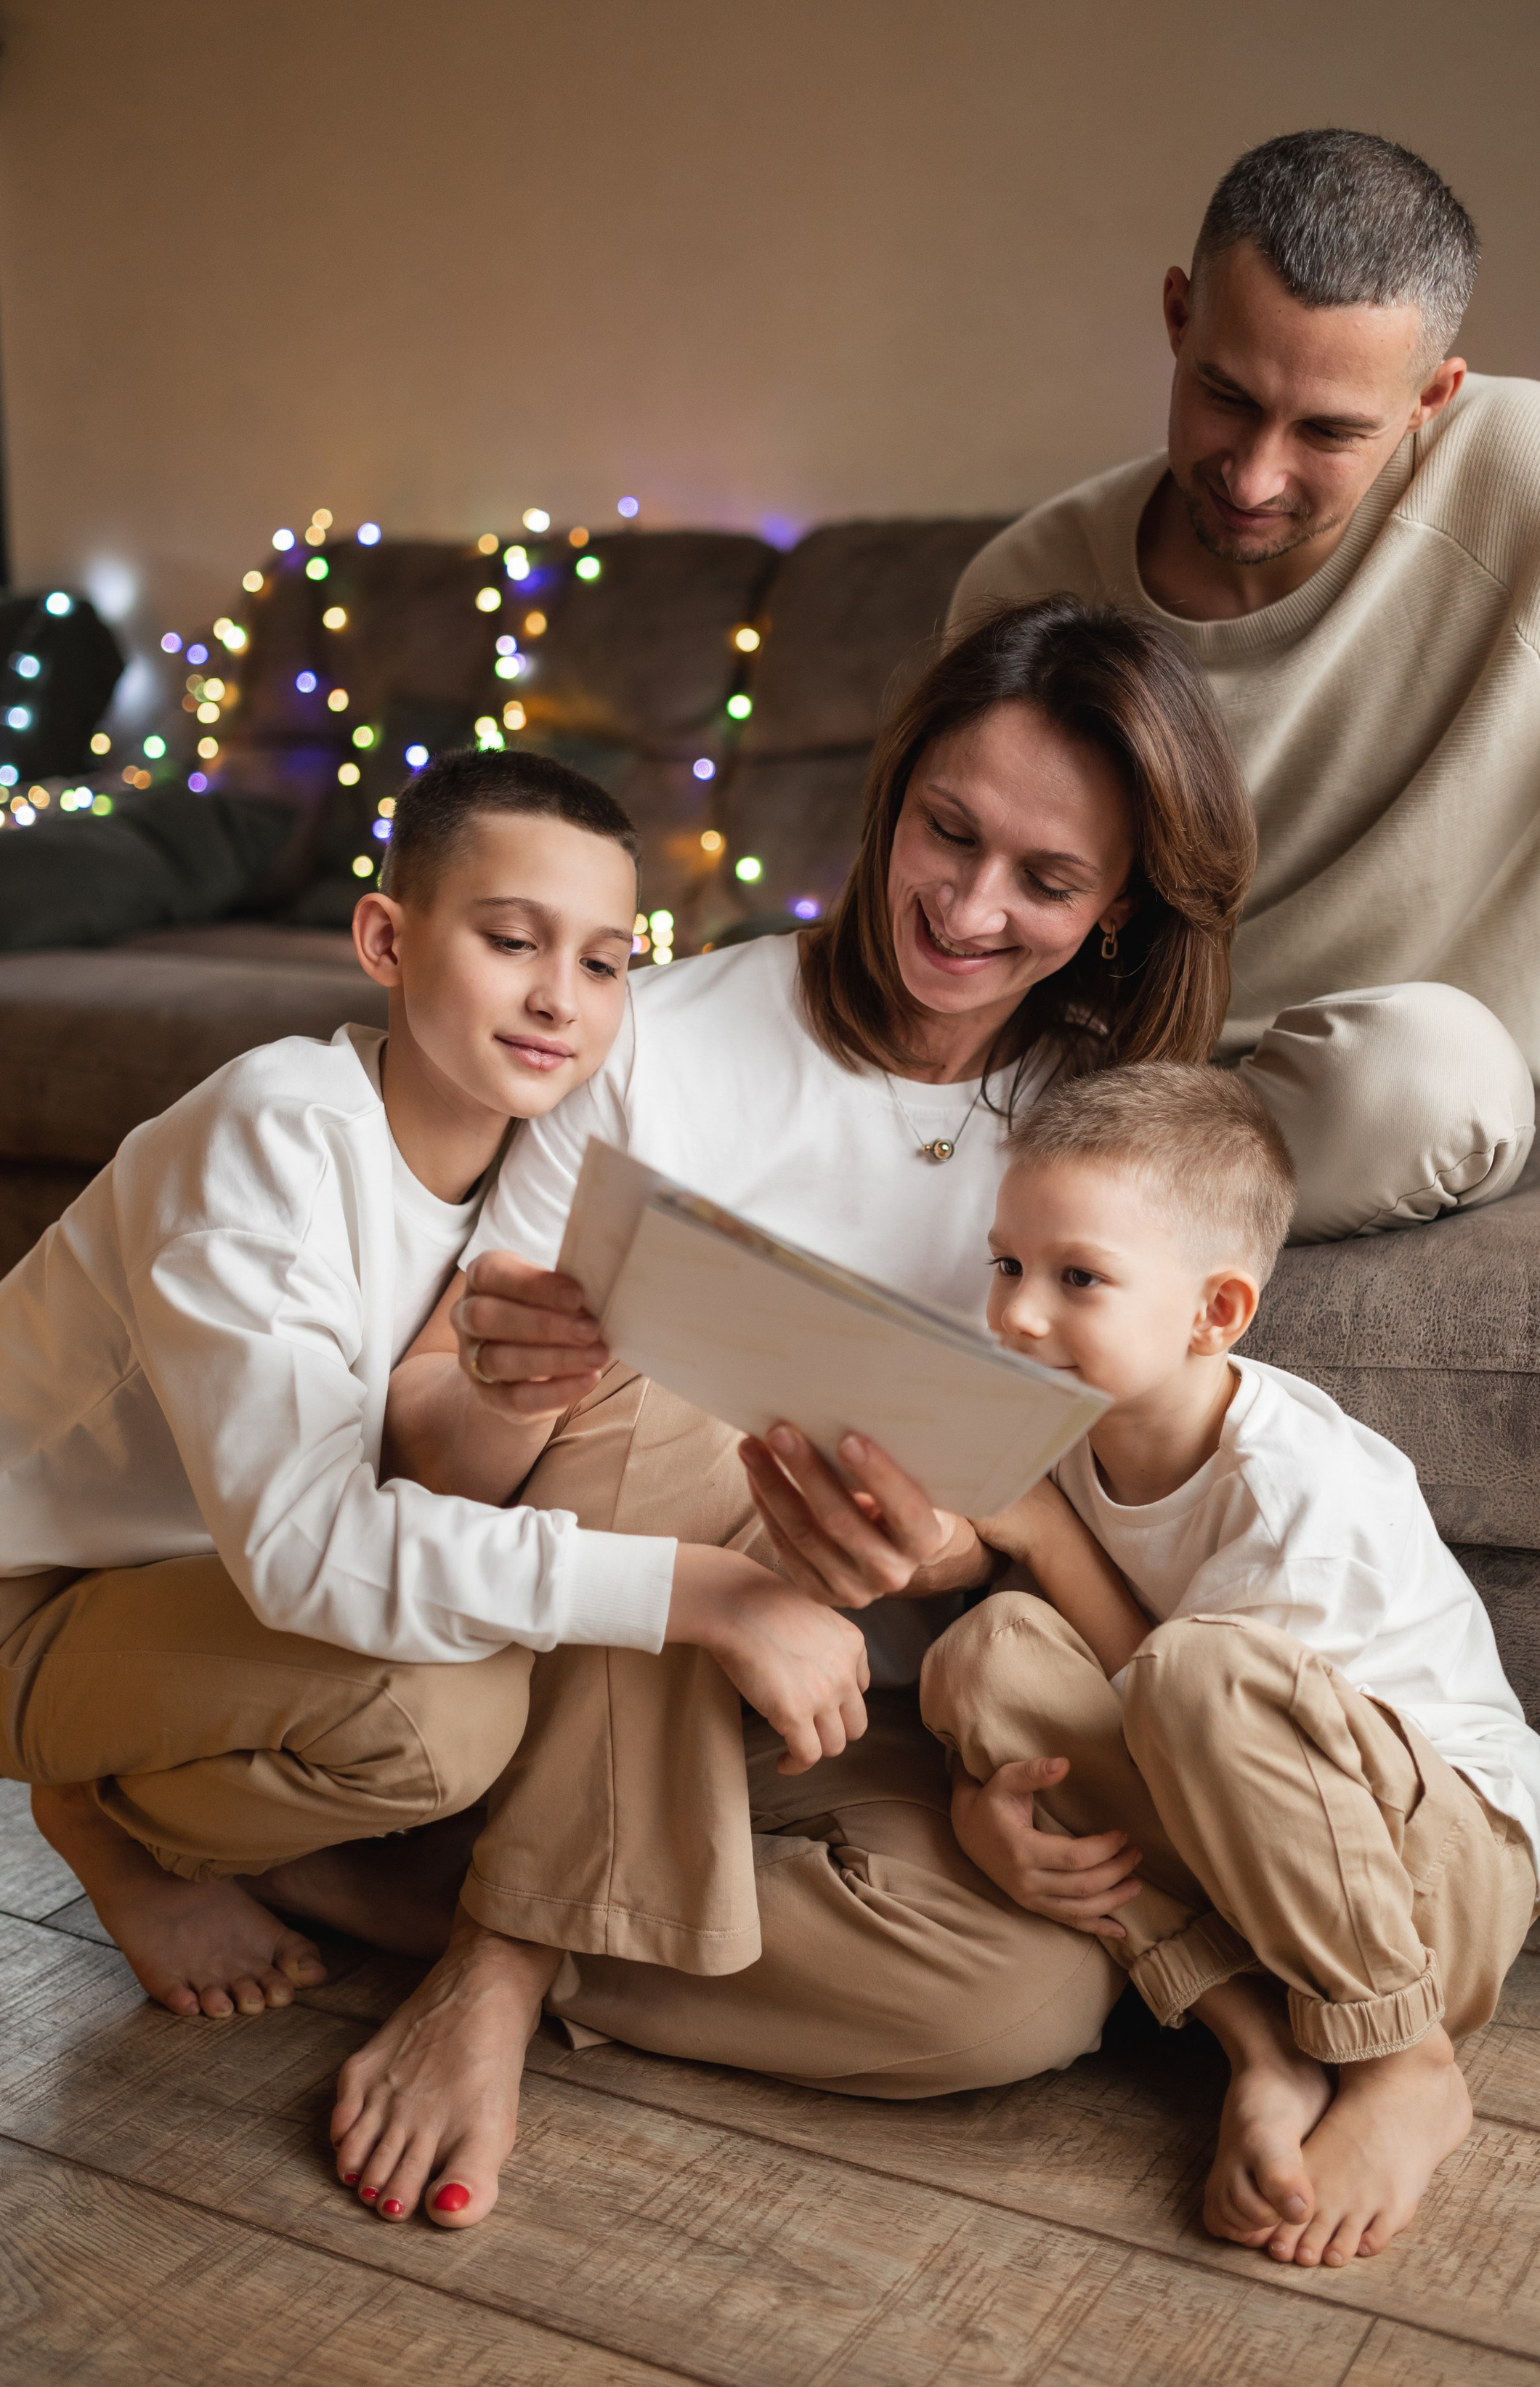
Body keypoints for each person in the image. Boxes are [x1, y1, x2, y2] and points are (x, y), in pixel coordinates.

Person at [344, 593, 1255, 2226]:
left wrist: (943, 1557)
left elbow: (1065, 1521)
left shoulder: (1110, 1149)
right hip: (576, 1636)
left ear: (1117, 910)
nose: (967, 908)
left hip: (833, 1708)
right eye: (947, 832)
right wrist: (505, 1382)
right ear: (888, 790)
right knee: (673, 1384)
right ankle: (498, 1959)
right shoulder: (658, 1043)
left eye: (1046, 882)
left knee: (1023, 2002)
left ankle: (426, 1901)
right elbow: (426, 1440)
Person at [0, 751, 867, 2053]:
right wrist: (700, 1594)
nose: (558, 999)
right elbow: (310, 1550)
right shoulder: (274, 1138)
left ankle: (284, 1832)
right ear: (386, 937)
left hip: (207, 1583)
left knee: (482, 1646)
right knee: (439, 1718)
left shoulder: (542, 1166)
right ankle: (106, 1820)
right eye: (510, 940)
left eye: (603, 963)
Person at [949, 126, 1540, 1239]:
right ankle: (1086, 1210)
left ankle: (1078, 1214)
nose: (1254, 475)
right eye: (1226, 397)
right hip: (1081, 1079)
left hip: (1365, 1099)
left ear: (1434, 394)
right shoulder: (1026, 582)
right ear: (1177, 315)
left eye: (1330, 431)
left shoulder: (1530, 474)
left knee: (1430, 1079)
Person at [920, 1061, 1540, 2269]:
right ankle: (1262, 2046)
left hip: (1435, 1877)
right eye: (1009, 1264)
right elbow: (1055, 1692)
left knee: (1197, 1674)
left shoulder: (1299, 1488)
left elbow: (1188, 1707)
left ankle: (1404, 2064)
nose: (1017, 1314)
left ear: (1215, 1314)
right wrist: (976, 1807)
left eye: (1079, 1279)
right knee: (988, 1654)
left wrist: (1047, 1536)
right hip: (1261, 1875)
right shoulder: (1063, 1421)